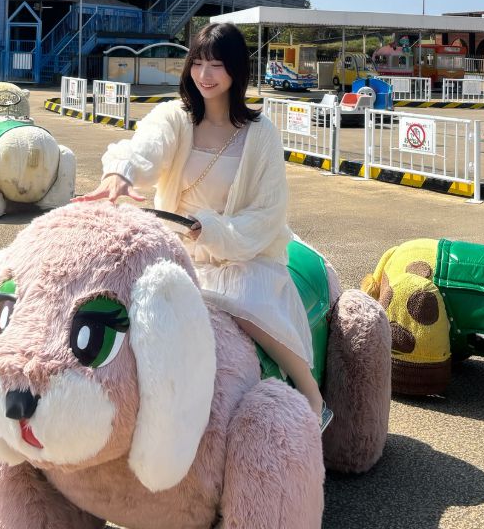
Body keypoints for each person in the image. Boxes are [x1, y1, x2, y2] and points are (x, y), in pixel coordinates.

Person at [75, 22, 324, 421]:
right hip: (178, 249)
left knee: (247, 303)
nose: (205, 75)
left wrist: (213, 230)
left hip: (240, 255)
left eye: (217, 65)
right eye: (198, 63)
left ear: (236, 70)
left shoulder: (260, 134)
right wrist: (121, 173)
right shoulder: (174, 117)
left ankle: (311, 394)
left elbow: (268, 213)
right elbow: (146, 147)